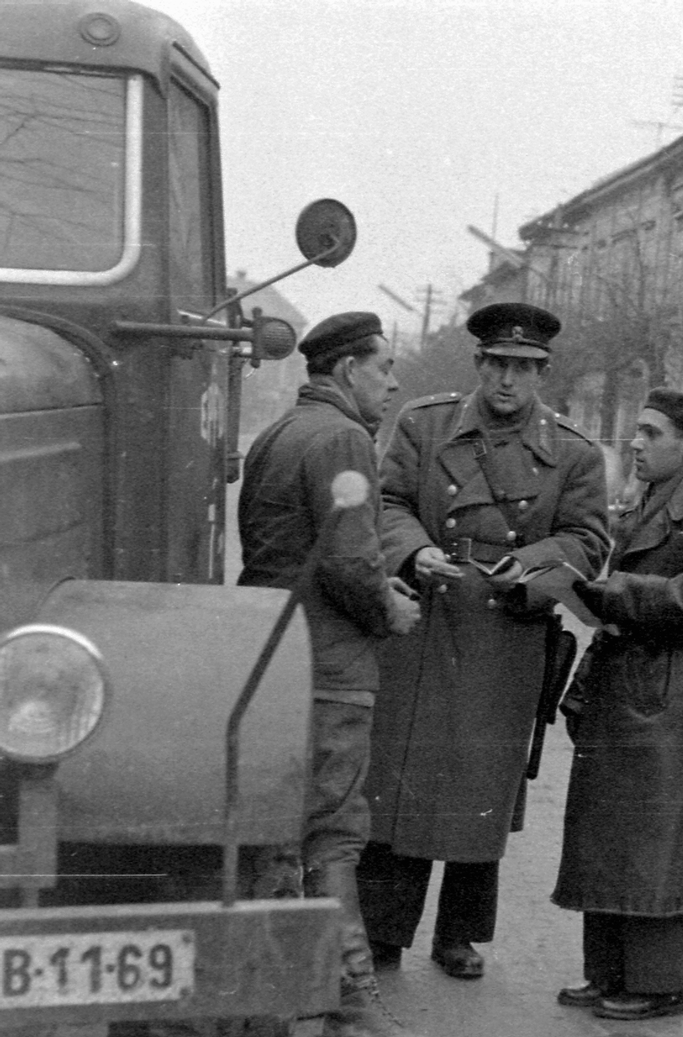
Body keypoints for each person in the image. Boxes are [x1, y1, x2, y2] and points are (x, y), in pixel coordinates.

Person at [357, 302, 609, 980]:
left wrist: (530, 571)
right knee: (402, 778)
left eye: (524, 368)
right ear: (479, 365)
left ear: (542, 373)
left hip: (507, 630)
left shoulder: (575, 452)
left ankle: (458, 935)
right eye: (498, 364)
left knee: (481, 787)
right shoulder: (425, 424)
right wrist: (412, 553)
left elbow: (589, 541)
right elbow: (387, 502)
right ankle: (383, 929)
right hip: (425, 625)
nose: (508, 380)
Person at [237, 311, 424, 1037]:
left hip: (273, 655)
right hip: (331, 665)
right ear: (349, 369)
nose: (394, 379)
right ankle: (352, 1006)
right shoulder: (344, 436)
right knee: (335, 835)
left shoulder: (281, 432)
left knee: (279, 832)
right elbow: (350, 560)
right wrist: (390, 608)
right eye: (383, 366)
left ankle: (268, 1003)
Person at [552, 387, 683, 1022]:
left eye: (650, 432)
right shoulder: (651, 498)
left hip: (670, 682)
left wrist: (616, 593)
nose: (635, 443)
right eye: (636, 432)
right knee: (610, 830)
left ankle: (661, 982)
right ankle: (609, 971)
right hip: (626, 674)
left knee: (658, 836)